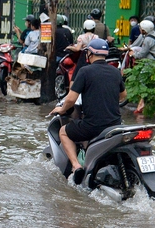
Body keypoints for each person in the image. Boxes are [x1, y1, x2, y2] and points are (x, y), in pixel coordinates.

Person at [49, 39, 126, 184]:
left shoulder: (85, 71)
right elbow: (123, 96)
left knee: (64, 132)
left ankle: (76, 166)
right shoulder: (115, 71)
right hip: (115, 125)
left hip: (94, 126)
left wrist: (62, 109)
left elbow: (71, 99)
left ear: (89, 54)